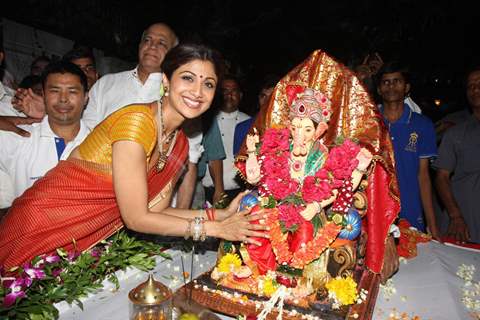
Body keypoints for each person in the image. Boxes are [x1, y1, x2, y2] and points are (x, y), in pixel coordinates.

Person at [0, 43, 268, 270]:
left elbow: (157, 211)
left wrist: (221, 215)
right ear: (166, 80)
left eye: (208, 84)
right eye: (187, 78)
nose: (197, 92)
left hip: (80, 241)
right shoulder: (137, 122)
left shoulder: (180, 143)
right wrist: (216, 229)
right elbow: (136, 218)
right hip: (38, 226)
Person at [236, 50, 401, 283]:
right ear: (289, 126)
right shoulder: (279, 149)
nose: (299, 135)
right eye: (295, 127)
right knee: (257, 217)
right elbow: (254, 179)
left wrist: (357, 171)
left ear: (319, 131)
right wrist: (253, 152)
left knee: (303, 230)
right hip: (278, 207)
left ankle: (294, 276)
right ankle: (258, 269)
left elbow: (341, 188)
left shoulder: (324, 155)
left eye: (307, 129)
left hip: (309, 211)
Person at [0, 61, 90, 210]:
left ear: (86, 97)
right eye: (54, 91)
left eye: (72, 91)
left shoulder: (100, 144)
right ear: (43, 95)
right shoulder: (17, 139)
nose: (63, 99)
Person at [376, 62, 440, 239]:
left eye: (397, 81)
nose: (391, 86)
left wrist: (432, 225)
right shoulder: (370, 123)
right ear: (379, 89)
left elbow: (424, 176)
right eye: (386, 82)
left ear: (406, 87)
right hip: (375, 211)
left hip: (410, 211)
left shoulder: (422, 125)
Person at [434, 67, 480, 243]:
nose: (475, 89)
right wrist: (456, 217)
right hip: (464, 226)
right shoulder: (456, 133)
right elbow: (441, 177)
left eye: (479, 84)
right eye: (471, 86)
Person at [201, 76, 250, 203]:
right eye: (225, 91)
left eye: (233, 91)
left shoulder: (250, 122)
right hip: (209, 191)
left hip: (241, 191)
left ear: (240, 95)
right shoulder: (205, 121)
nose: (229, 94)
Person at [233, 74, 279, 156]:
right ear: (259, 98)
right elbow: (239, 162)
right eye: (263, 96)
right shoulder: (243, 128)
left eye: (271, 97)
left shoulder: (288, 127)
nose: (267, 101)